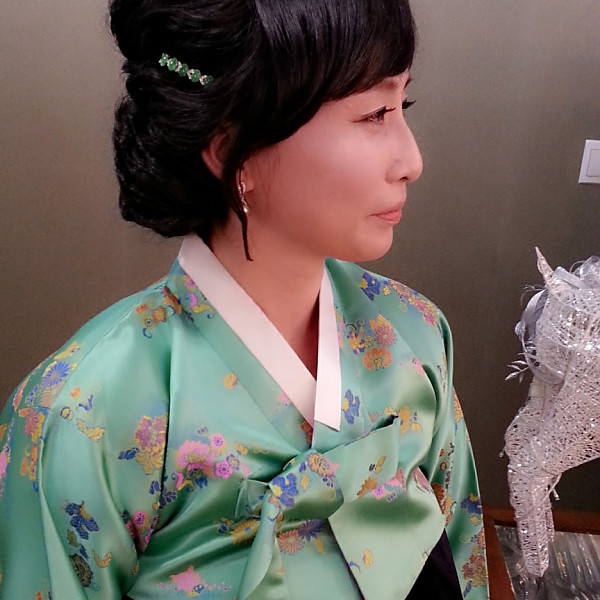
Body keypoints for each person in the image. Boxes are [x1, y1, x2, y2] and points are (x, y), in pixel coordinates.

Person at [0, 0, 489, 598]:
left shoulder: (415, 334)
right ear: (234, 149)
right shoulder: (85, 411)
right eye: (374, 114)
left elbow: (463, 558)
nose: (412, 161)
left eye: (402, 106)